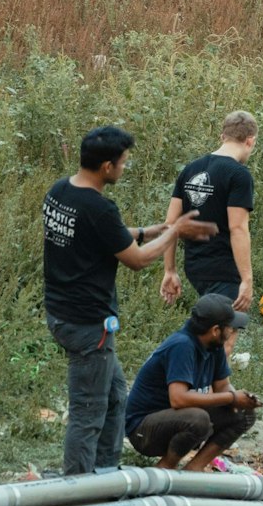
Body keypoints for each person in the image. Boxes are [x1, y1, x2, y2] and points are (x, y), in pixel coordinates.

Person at [43, 125, 217, 476]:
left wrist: (152, 230)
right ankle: (77, 489)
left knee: (115, 397)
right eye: (123, 163)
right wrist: (174, 232)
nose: (124, 168)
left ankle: (106, 473)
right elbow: (136, 260)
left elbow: (105, 236)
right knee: (88, 410)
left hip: (62, 313)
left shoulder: (61, 191)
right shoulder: (99, 207)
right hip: (89, 324)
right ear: (107, 166)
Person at [124, 293, 262, 470]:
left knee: (243, 413)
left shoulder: (214, 345)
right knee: (197, 419)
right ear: (215, 330)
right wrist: (231, 398)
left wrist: (237, 400)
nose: (232, 332)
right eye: (230, 327)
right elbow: (179, 399)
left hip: (176, 418)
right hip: (144, 431)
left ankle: (194, 469)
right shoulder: (182, 346)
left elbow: (222, 386)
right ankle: (166, 467)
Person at [160, 110, 258, 312]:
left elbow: (170, 224)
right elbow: (238, 228)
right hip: (224, 271)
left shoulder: (190, 169)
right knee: (225, 338)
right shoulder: (239, 175)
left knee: (211, 331)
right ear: (250, 141)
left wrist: (169, 270)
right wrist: (247, 279)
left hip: (195, 268)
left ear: (223, 137)